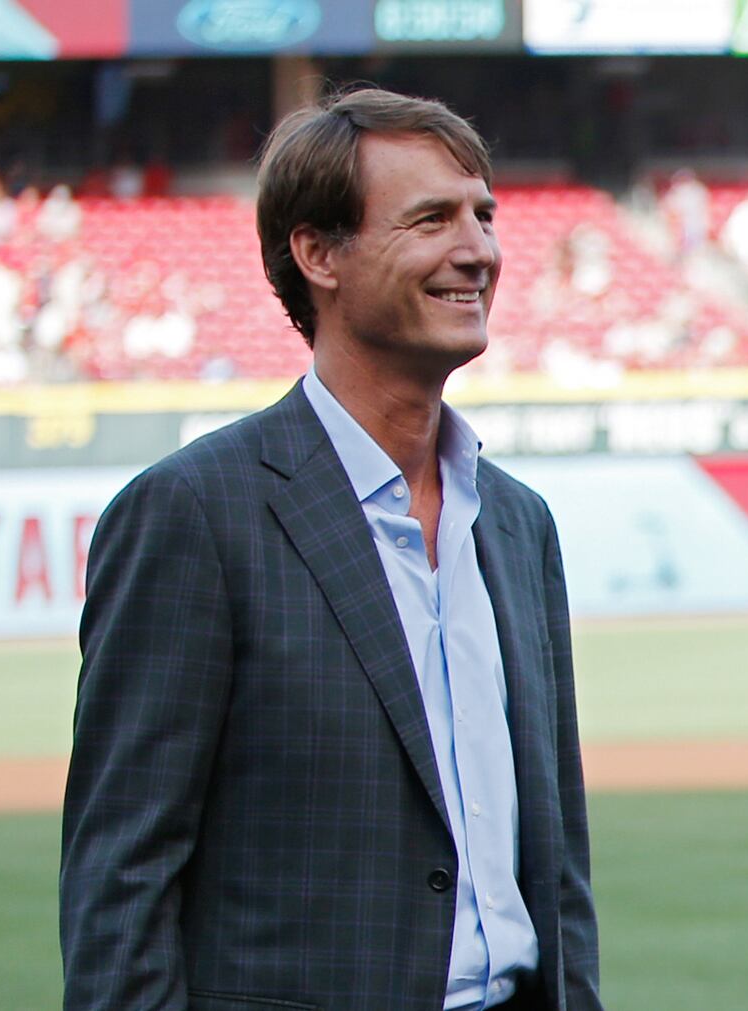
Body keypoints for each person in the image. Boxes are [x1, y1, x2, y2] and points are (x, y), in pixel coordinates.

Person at [59, 88, 602, 1011]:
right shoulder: (193, 514)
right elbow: (122, 886)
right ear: (317, 254)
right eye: (431, 219)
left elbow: (557, 872)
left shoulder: (516, 523)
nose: (477, 249)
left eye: (484, 215)